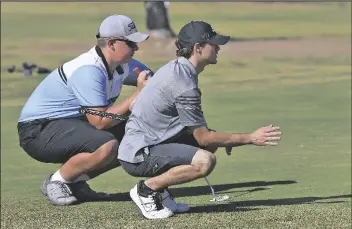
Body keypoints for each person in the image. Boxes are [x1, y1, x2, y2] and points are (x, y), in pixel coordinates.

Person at [117, 21, 282, 219]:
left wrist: (224, 140)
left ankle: (160, 191)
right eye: (213, 44)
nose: (218, 48)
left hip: (148, 142)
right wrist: (249, 138)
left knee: (210, 146)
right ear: (198, 48)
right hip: (138, 154)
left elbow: (201, 135)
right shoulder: (184, 83)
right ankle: (148, 189)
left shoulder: (179, 69)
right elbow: (203, 138)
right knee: (205, 161)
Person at [17, 14, 151, 206]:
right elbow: (100, 121)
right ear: (112, 43)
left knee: (135, 138)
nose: (136, 48)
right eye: (131, 43)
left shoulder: (123, 64)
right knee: (107, 144)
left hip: (70, 126)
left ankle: (75, 182)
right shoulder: (89, 70)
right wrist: (137, 95)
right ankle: (57, 182)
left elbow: (151, 81)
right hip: (37, 131)